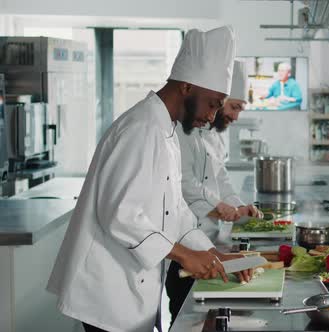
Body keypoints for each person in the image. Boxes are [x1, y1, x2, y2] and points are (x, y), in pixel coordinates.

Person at [46, 26, 250, 332]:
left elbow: (175, 208)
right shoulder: (141, 128)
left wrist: (210, 252)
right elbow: (120, 214)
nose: (212, 116)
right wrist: (184, 255)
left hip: (131, 288)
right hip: (106, 291)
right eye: (213, 103)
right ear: (186, 87)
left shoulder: (166, 129)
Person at [166, 60, 263, 324]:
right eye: (232, 107)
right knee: (188, 319)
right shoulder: (178, 132)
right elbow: (183, 185)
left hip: (204, 243)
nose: (234, 116)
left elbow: (220, 179)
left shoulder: (212, 134)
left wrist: (239, 207)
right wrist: (219, 207)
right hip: (186, 251)